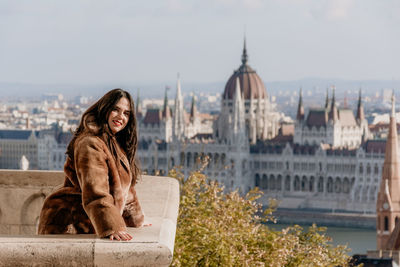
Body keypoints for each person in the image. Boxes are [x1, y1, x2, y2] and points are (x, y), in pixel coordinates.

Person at [38, 88, 147, 241]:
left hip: (89, 222)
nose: (120, 116)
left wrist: (136, 220)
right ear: (105, 109)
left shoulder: (112, 141)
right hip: (70, 224)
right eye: (115, 110)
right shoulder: (90, 143)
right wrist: (112, 226)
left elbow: (124, 190)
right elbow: (95, 191)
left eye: (126, 113)